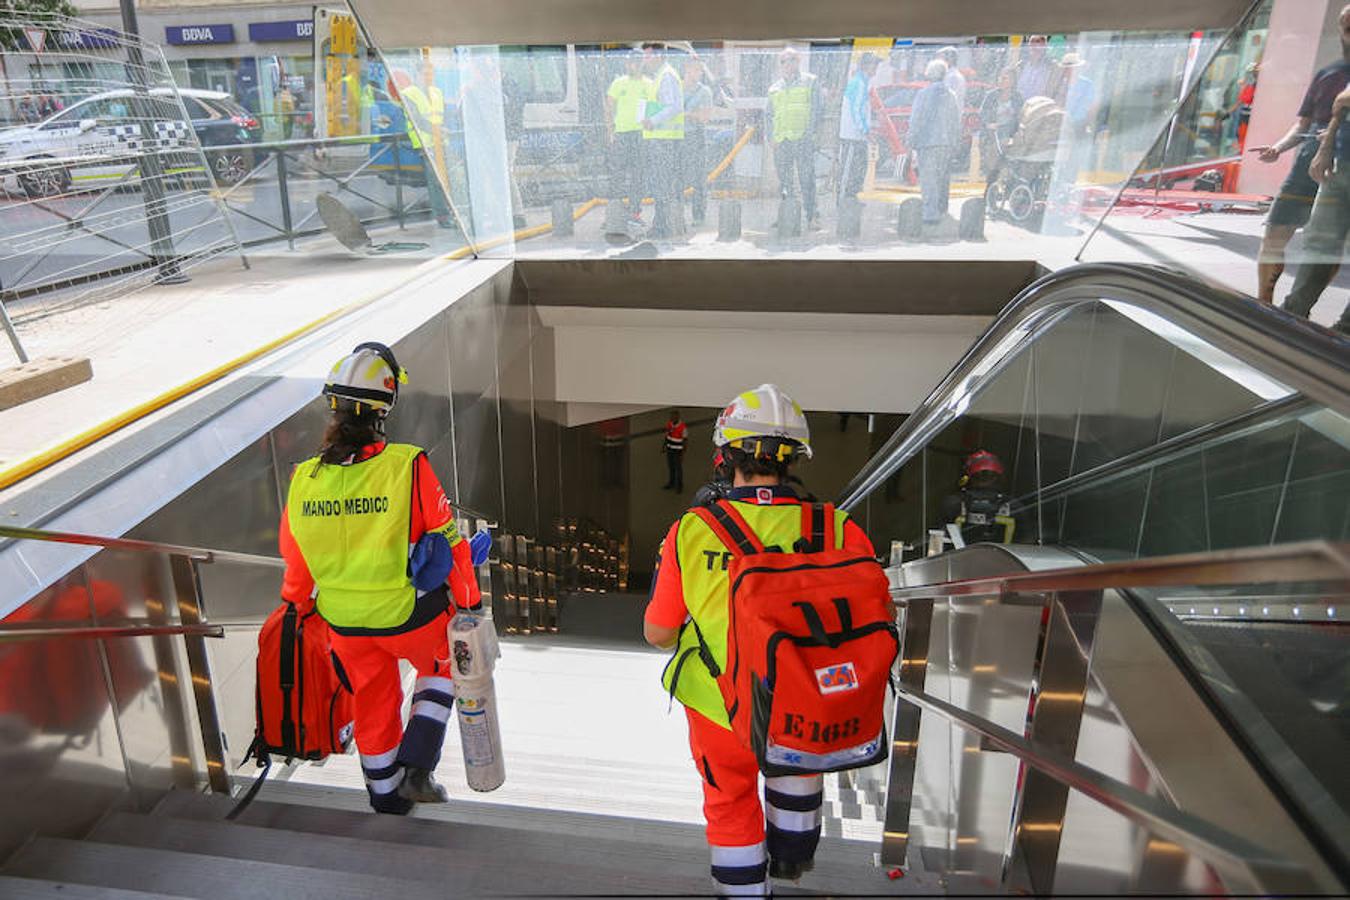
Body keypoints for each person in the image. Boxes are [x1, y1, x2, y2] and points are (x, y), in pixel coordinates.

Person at [644, 384, 881, 896]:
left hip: (718, 702)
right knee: (796, 760)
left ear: (724, 454)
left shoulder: (692, 530)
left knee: (729, 800)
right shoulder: (839, 528)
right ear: (795, 457)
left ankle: (745, 892)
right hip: (808, 696)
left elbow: (659, 633)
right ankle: (793, 856)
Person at [279, 342, 482, 814]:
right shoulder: (407, 465)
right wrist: (469, 602)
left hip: (343, 624)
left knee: (371, 700)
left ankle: (385, 797)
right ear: (384, 408)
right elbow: (449, 540)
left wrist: (298, 605)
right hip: (408, 614)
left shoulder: (303, 478)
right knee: (447, 662)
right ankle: (417, 764)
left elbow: (296, 561)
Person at [1252, 5, 1350, 304]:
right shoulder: (1328, 72)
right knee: (1276, 231)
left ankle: (1298, 308)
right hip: (1310, 156)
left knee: (1326, 241)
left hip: (1340, 160)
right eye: (1347, 28)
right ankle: (1264, 303)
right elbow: (1304, 123)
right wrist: (1278, 148)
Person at [1284, 84, 1350, 333]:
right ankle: (1293, 314)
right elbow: (1340, 102)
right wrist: (1326, 148)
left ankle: (1346, 329)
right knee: (1320, 241)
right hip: (1342, 163)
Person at [768, 48, 820, 231]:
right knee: (785, 180)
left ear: (798, 61)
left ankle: (812, 216)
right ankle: (786, 214)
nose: (787, 64)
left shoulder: (810, 81)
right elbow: (769, 115)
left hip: (802, 138)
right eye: (783, 61)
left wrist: (811, 134)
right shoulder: (774, 88)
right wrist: (771, 138)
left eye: (790, 60)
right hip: (782, 140)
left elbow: (816, 110)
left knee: (807, 178)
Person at [398, 63, 454, 229]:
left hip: (441, 142)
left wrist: (444, 130)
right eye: (425, 73)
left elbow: (444, 116)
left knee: (448, 179)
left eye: (431, 73)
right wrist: (438, 131)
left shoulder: (437, 92)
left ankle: (453, 212)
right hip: (425, 143)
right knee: (436, 181)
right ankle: (443, 217)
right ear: (417, 75)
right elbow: (416, 120)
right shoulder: (409, 94)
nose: (428, 77)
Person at [909, 58, 961, 234]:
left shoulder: (923, 94)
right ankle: (940, 209)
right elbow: (955, 121)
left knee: (928, 178)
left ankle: (930, 213)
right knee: (941, 178)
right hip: (946, 142)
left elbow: (916, 119)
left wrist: (911, 141)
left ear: (929, 74)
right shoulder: (951, 95)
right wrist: (955, 142)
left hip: (927, 142)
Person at [642, 43, 686, 239]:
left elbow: (673, 107)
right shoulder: (662, 75)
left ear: (659, 56)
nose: (645, 60)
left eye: (648, 56)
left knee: (663, 185)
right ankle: (668, 225)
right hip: (663, 139)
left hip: (665, 141)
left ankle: (662, 228)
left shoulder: (666, 75)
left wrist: (652, 120)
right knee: (664, 185)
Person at [606, 50, 650, 229]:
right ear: (626, 64)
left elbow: (654, 110)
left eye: (637, 62)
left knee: (638, 175)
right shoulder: (618, 83)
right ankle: (614, 213)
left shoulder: (649, 84)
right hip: (622, 134)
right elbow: (609, 107)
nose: (634, 65)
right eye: (631, 62)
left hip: (640, 135)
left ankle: (634, 212)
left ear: (642, 63)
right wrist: (610, 131)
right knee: (617, 174)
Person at [938, 450, 1016, 545]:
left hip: (956, 559)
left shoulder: (952, 504)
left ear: (967, 478)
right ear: (998, 478)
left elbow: (938, 539)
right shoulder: (1014, 507)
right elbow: (1026, 542)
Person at [838, 53, 881, 206]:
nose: (876, 68)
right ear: (865, 66)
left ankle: (852, 196)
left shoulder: (864, 82)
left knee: (858, 168)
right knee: (849, 169)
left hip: (859, 135)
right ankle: (843, 199)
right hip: (852, 135)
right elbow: (856, 111)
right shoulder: (858, 83)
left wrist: (867, 130)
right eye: (873, 65)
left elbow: (862, 110)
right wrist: (866, 131)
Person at [682, 57, 714, 227]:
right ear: (686, 68)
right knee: (676, 176)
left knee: (699, 177)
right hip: (677, 137)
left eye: (700, 70)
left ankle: (699, 215)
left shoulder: (704, 92)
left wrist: (684, 114)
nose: (699, 73)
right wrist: (692, 113)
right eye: (696, 69)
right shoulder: (676, 88)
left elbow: (704, 118)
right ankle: (676, 213)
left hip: (696, 136)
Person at [978, 68, 1024, 177]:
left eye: (1004, 78)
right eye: (1000, 78)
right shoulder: (991, 96)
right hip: (992, 134)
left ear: (1012, 81)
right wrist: (988, 124)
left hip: (1009, 134)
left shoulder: (1017, 98)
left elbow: (1019, 117)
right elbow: (983, 114)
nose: (1000, 81)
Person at [1016, 35, 1055, 101]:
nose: (1034, 45)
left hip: (1039, 104)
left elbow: (1050, 90)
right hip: (1019, 102)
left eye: (1037, 42)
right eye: (1032, 42)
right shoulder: (1021, 65)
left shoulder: (1050, 66)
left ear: (1044, 46)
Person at [662, 409, 687, 492]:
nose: (672, 418)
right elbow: (667, 435)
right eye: (671, 416)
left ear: (678, 417)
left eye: (673, 416)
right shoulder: (670, 424)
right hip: (670, 448)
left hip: (678, 451)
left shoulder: (682, 427)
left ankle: (679, 486)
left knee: (678, 468)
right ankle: (671, 483)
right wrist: (664, 446)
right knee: (671, 467)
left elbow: (685, 440)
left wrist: (683, 453)